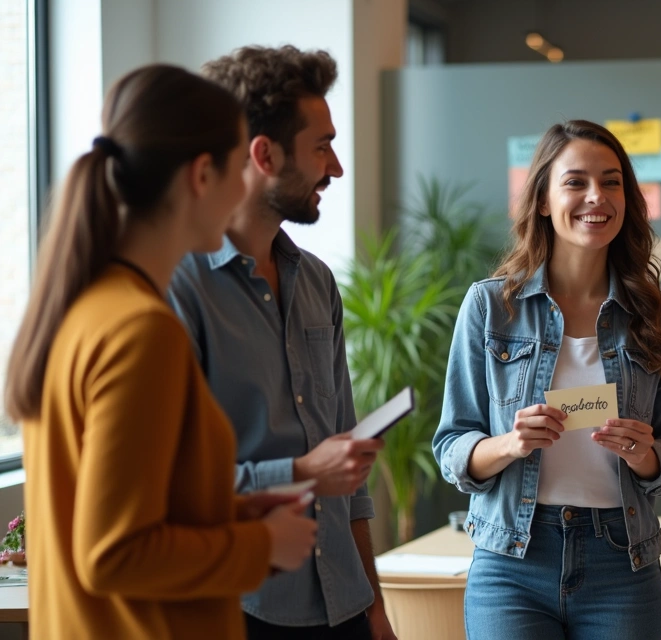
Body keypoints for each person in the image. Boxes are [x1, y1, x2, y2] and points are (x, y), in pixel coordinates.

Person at [6, 64, 318, 640]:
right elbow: (113, 553)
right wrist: (260, 544)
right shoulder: (141, 332)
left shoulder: (86, 308)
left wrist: (229, 515)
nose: (244, 189)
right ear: (202, 175)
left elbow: (119, 508)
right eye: (238, 168)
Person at [433, 119, 661, 640]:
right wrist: (510, 444)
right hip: (512, 561)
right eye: (576, 182)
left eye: (611, 182)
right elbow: (451, 445)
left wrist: (645, 456)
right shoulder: (490, 306)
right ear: (542, 199)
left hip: (621, 562)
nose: (596, 196)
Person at [168, 46, 393, 640]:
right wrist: (298, 472)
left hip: (343, 603)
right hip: (239, 608)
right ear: (264, 155)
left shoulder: (316, 280)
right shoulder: (176, 288)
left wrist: (373, 606)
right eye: (322, 147)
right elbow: (169, 483)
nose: (336, 168)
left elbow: (347, 472)